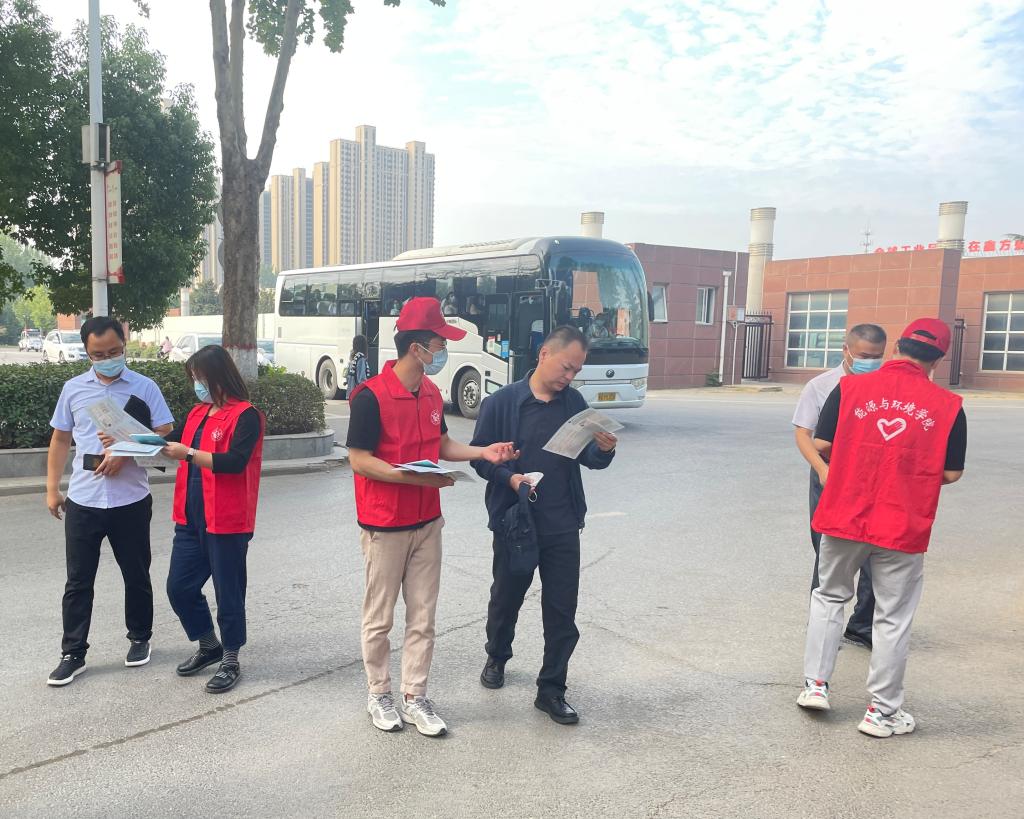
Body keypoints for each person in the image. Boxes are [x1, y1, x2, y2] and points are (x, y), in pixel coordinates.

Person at [346, 297, 517, 737]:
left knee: (423, 616)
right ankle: (379, 693)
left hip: (427, 522)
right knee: (380, 617)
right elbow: (359, 460)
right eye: (440, 343)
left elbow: (441, 447)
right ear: (417, 347)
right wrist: (408, 478)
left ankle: (415, 695)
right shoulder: (371, 397)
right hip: (385, 524)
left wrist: (483, 451)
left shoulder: (431, 393)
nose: (443, 352)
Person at [797, 318, 967, 738]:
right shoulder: (948, 406)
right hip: (901, 521)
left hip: (844, 513)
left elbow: (821, 444)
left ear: (896, 349)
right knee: (892, 616)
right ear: (937, 361)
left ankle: (816, 686)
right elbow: (951, 472)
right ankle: (881, 712)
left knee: (829, 596)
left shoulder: (848, 388)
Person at [471, 325, 618, 725]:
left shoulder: (574, 403)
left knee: (561, 610)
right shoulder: (502, 403)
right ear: (544, 355)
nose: (569, 377)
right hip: (515, 521)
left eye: (576, 371)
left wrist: (604, 450)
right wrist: (509, 479)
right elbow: (480, 459)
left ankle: (552, 690)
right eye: (566, 367)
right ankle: (497, 655)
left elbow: (589, 459)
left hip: (562, 522)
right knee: (506, 597)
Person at [45, 316, 175, 686]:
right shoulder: (74, 389)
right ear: (87, 352)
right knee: (78, 580)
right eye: (98, 354)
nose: (107, 359)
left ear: (124, 344)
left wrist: (125, 451)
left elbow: (165, 433)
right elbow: (60, 439)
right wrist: (52, 488)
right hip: (84, 498)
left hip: (130, 499)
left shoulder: (144, 387)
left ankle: (140, 638)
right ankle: (73, 653)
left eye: (114, 351)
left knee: (136, 573)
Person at [158, 345, 265, 694]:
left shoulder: (246, 415)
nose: (197, 384)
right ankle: (208, 644)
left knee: (228, 591)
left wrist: (188, 453)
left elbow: (235, 462)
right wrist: (130, 440)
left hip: (226, 520)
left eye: (200, 377)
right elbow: (169, 443)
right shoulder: (197, 413)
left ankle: (231, 658)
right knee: (179, 587)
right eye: (194, 378)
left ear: (218, 376)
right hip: (190, 517)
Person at [792, 324, 886, 648]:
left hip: (873, 478)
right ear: (846, 350)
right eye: (864, 355)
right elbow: (803, 434)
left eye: (877, 356)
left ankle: (863, 626)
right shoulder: (821, 386)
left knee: (875, 551)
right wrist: (822, 469)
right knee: (828, 553)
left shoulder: (886, 386)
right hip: (829, 474)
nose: (870, 362)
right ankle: (822, 627)